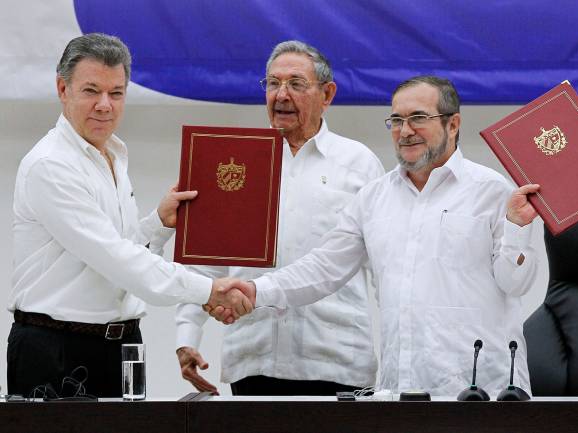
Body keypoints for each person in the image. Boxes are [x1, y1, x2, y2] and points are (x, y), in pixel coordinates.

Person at [213, 76, 541, 397]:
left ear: (452, 124)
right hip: (402, 390)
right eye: (396, 120)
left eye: (418, 118)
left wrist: (518, 228)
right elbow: (323, 267)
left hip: (482, 391)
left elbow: (516, 283)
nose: (406, 131)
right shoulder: (374, 198)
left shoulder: (492, 190)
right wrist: (256, 290)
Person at [7, 33, 249, 398]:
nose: (105, 105)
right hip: (56, 350)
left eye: (116, 93)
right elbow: (118, 260)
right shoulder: (51, 165)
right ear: (62, 89)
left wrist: (160, 224)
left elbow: (120, 256)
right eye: (91, 90)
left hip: (119, 347)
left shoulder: (113, 155)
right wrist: (209, 290)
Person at [174, 40, 384, 395]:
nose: (281, 95)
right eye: (272, 83)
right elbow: (205, 260)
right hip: (254, 359)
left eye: (296, 84)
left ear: (327, 94)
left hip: (337, 363)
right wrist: (187, 335)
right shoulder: (233, 163)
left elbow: (384, 266)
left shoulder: (359, 165)